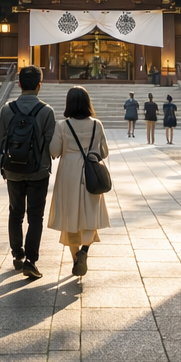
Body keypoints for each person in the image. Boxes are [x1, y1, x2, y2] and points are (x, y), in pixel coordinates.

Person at [0, 65, 56, 280]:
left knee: (15, 212)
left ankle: (17, 255)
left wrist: (2, 166)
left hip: (12, 169)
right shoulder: (46, 111)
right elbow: (51, 144)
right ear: (40, 84)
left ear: (19, 83)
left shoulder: (7, 109)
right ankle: (31, 261)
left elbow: (0, 140)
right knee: (35, 216)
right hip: (38, 171)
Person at [49, 85, 111, 278]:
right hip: (91, 172)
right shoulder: (96, 124)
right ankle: (84, 250)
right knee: (89, 212)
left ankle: (76, 258)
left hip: (69, 172)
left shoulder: (62, 126)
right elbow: (105, 152)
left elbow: (54, 151)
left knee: (71, 214)